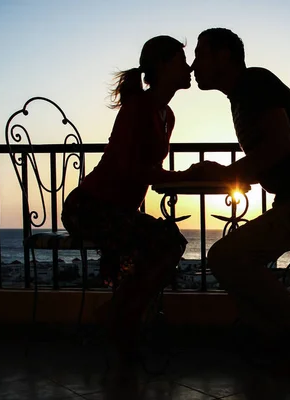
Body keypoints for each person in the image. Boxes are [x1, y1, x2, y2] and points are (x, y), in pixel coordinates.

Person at [190, 28, 290, 374]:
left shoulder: (253, 84)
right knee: (232, 259)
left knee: (226, 256)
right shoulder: (243, 93)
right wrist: (229, 172)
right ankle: (279, 340)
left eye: (200, 54)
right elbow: (272, 154)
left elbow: (281, 146)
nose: (193, 64)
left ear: (224, 55)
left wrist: (230, 173)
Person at [61, 35, 195, 364]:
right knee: (164, 244)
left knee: (169, 242)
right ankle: (124, 321)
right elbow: (129, 168)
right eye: (181, 59)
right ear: (163, 66)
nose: (188, 66)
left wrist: (185, 176)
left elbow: (148, 170)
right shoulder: (138, 107)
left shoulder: (168, 115)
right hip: (88, 207)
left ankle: (119, 316)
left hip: (116, 211)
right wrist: (184, 176)